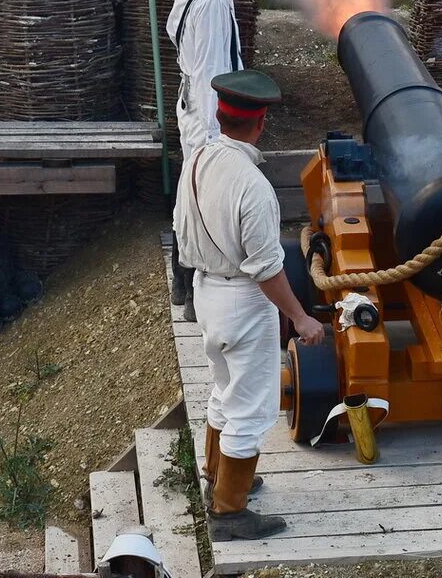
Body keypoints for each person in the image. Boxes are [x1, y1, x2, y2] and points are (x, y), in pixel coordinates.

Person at [173, 69, 325, 540]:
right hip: (243, 299)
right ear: (260, 124)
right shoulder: (254, 187)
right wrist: (300, 318)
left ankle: (218, 475)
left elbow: (180, 231)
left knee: (223, 390)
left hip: (207, 290)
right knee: (251, 408)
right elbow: (266, 269)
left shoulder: (196, 159)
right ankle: (229, 511)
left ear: (221, 116)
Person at [167, 0, 246, 320]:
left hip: (192, 109)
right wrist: (219, 138)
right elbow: (213, 72)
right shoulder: (212, 0)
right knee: (205, 203)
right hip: (208, 116)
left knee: (191, 197)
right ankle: (197, 295)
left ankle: (184, 286)